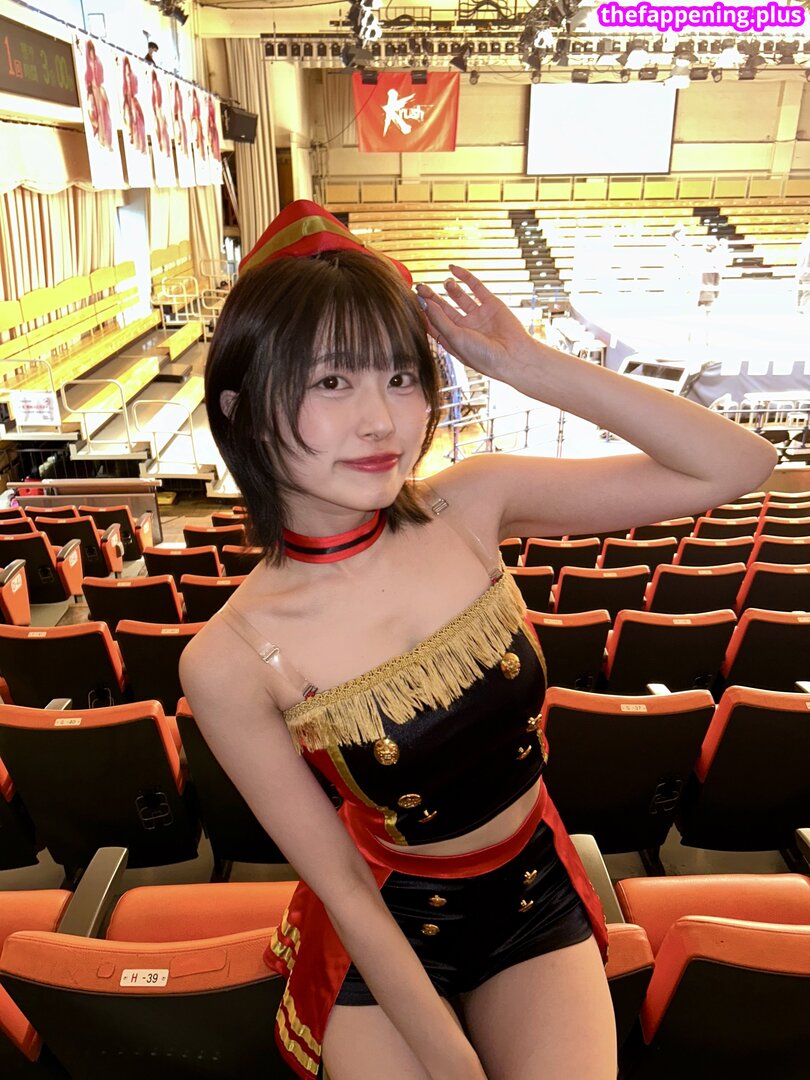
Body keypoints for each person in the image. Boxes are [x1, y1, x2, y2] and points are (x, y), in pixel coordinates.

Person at [180, 200, 776, 1080]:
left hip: (531, 892)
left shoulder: (470, 502)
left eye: (400, 376)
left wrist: (527, 363)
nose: (382, 421)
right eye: (331, 383)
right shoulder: (227, 658)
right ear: (240, 409)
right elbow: (344, 887)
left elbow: (738, 465)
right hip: (384, 928)